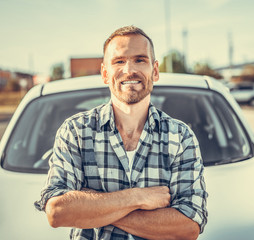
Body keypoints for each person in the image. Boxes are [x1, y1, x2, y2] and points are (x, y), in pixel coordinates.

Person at [35, 25, 208, 240]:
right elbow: (57, 212)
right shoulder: (76, 131)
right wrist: (137, 198)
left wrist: (94, 205)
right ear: (105, 74)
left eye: (140, 60)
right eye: (119, 61)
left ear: (154, 71)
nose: (129, 70)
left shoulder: (181, 137)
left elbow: (188, 227)